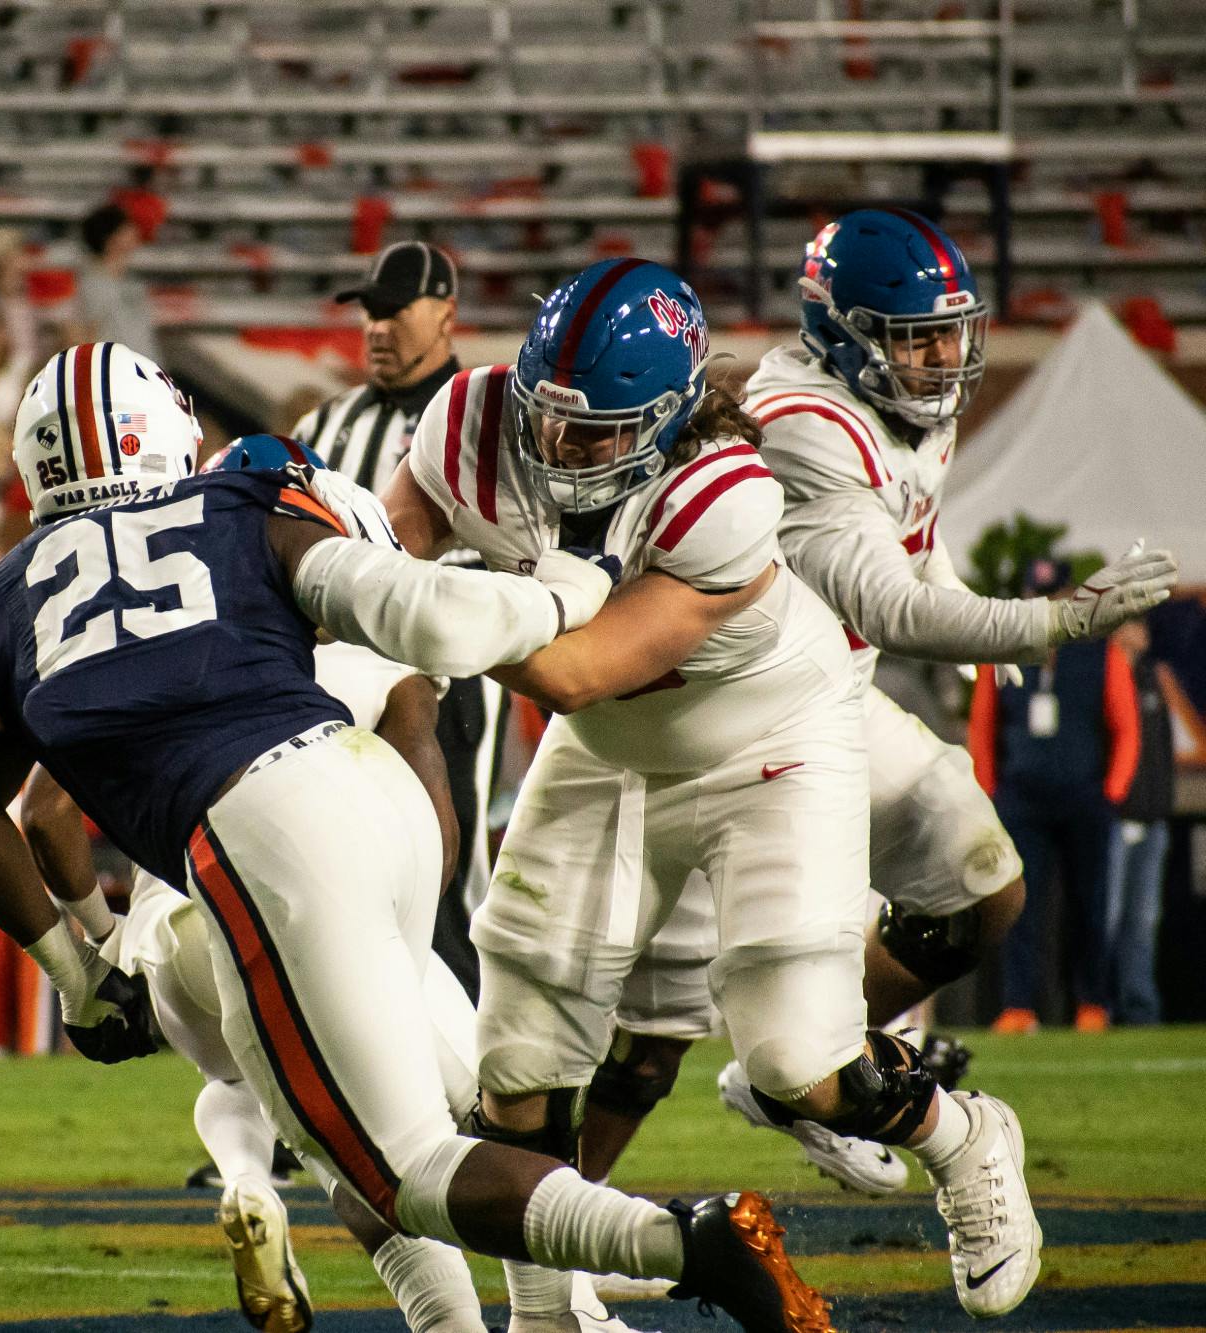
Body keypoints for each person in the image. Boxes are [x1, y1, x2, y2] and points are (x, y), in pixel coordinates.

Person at [0, 341, 837, 1333]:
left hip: (251, 839)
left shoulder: (8, 596)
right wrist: (576, 584)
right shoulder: (239, 505)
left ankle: (687, 1244)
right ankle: (558, 1319)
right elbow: (415, 609)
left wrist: (76, 974)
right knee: (448, 1111)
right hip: (369, 793)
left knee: (396, 1169)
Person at [378, 258, 1039, 1322]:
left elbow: (573, 670)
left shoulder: (725, 494)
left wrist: (433, 608)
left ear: (670, 416)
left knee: (797, 1063)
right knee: (521, 1055)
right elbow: (388, 546)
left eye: (597, 432)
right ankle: (550, 1317)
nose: (562, 446)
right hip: (611, 747)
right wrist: (388, 592)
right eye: (550, 416)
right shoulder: (473, 418)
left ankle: (963, 1136)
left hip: (768, 741)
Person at [567, 212, 1177, 1196]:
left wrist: (961, 591)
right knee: (648, 1039)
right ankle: (545, 1222)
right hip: (722, 725)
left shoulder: (900, 409)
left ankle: (806, 1073)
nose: (942, 358)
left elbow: (909, 534)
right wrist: (1045, 621)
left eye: (948, 333)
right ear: (843, 333)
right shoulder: (806, 426)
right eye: (915, 337)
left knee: (982, 888)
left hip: (827, 705)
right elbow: (886, 604)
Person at [291, 241, 491, 998]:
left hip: (451, 665)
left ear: (446, 313)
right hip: (335, 666)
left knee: (445, 861)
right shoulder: (327, 421)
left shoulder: (481, 412)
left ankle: (464, 1031)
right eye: (369, 312)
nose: (376, 328)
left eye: (395, 310)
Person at [971, 557, 1141, 1034]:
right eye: (1036, 597)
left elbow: (1125, 725)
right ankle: (1018, 1005)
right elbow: (982, 726)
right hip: (1022, 797)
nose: (1044, 606)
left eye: (1053, 596)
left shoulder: (1099, 651)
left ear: (1070, 597)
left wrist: (1112, 792)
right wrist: (989, 791)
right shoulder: (1003, 652)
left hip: (1084, 796)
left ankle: (1091, 1002)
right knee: (1019, 906)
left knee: (1090, 904)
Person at [1107, 617, 1173, 1025]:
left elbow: (1162, 750)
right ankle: (1099, 1005)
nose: (1143, 631)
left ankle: (1140, 1008)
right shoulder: (1103, 675)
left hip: (1151, 819)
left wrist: (1161, 804)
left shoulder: (1151, 678)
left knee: (1144, 919)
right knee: (1108, 918)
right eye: (1134, 622)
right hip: (1115, 818)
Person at [73, 205, 159, 361]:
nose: (135, 232)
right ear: (111, 238)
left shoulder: (132, 282)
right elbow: (87, 335)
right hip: (115, 368)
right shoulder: (93, 285)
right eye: (127, 228)